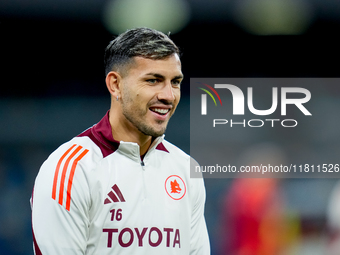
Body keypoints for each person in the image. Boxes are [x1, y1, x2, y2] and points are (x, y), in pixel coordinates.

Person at [30, 27, 210, 254]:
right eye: (153, 80)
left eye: (175, 82)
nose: (168, 95)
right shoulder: (71, 169)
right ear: (115, 84)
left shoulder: (185, 168)